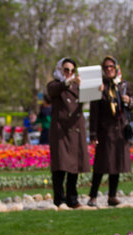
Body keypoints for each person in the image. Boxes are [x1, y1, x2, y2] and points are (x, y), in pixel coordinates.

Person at [87, 56, 133, 207]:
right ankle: (93, 195)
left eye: (111, 67)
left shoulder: (123, 85)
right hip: (105, 130)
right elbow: (93, 112)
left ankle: (112, 195)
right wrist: (93, 134)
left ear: (116, 68)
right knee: (101, 164)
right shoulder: (99, 86)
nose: (109, 70)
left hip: (120, 130)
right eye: (106, 67)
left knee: (117, 163)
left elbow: (132, 103)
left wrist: (129, 101)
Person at [47, 57, 90, 208]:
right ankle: (59, 198)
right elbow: (54, 91)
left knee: (74, 166)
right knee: (60, 166)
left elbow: (91, 99)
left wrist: (96, 89)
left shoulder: (78, 87)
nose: (69, 73)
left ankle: (73, 198)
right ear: (60, 70)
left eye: (72, 71)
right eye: (66, 70)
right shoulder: (54, 85)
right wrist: (69, 82)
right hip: (61, 131)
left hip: (76, 129)